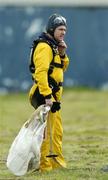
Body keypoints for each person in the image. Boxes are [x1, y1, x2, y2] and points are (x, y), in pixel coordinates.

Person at [29, 13, 69, 172]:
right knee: (46, 134)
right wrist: (47, 96)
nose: (63, 32)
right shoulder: (44, 47)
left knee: (55, 131)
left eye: (65, 29)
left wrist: (62, 54)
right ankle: (45, 167)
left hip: (54, 97)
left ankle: (56, 164)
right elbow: (40, 73)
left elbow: (61, 69)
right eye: (60, 29)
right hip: (46, 97)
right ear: (52, 29)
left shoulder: (53, 46)